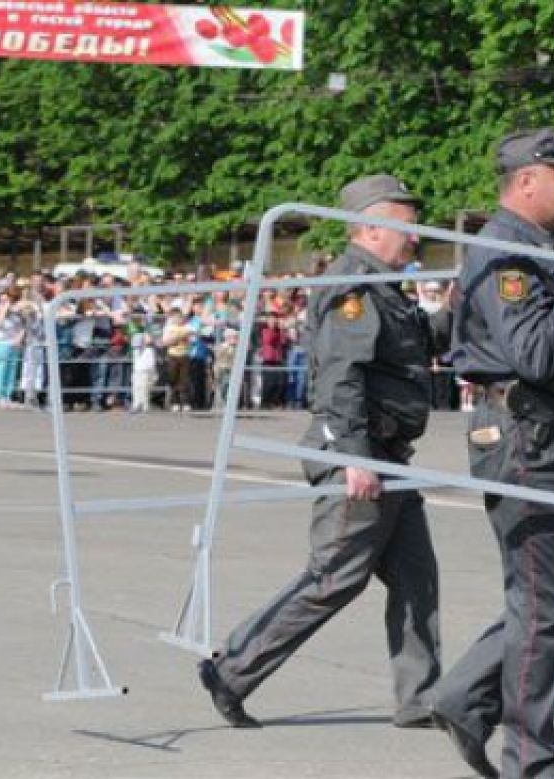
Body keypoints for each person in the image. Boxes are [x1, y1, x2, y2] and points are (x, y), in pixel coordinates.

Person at [198, 174, 449, 732]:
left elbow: (422, 346)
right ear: (369, 227)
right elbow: (341, 377)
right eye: (406, 224)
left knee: (416, 579)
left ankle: (421, 698)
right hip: (360, 453)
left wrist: (457, 308)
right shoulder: (352, 287)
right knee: (335, 576)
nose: (416, 236)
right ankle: (233, 671)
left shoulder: (387, 286)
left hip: (391, 457)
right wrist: (355, 457)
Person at [431, 128, 554, 779]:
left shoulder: (538, 251)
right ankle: (531, 758)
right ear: (526, 180)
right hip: (529, 438)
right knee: (547, 598)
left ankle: (464, 695)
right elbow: (533, 353)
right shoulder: (505, 254)